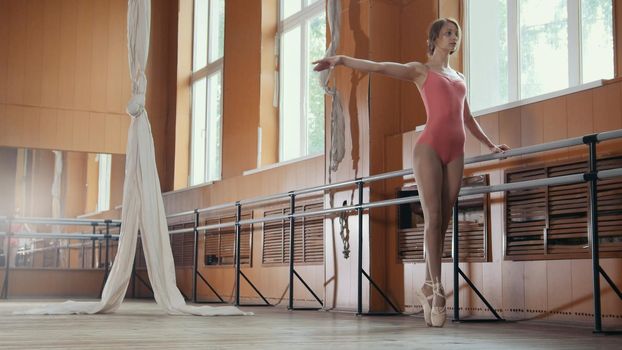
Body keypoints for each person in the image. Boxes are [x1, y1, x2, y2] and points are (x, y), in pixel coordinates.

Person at [313, 18, 509, 327]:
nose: (454, 39)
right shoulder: (421, 70)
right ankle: (438, 290)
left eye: (456, 34)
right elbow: (379, 67)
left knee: (443, 221)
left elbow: (467, 118)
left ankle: (427, 287)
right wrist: (340, 59)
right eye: (448, 34)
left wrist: (491, 145)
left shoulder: (459, 76)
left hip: (456, 151)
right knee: (432, 218)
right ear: (434, 38)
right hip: (429, 147)